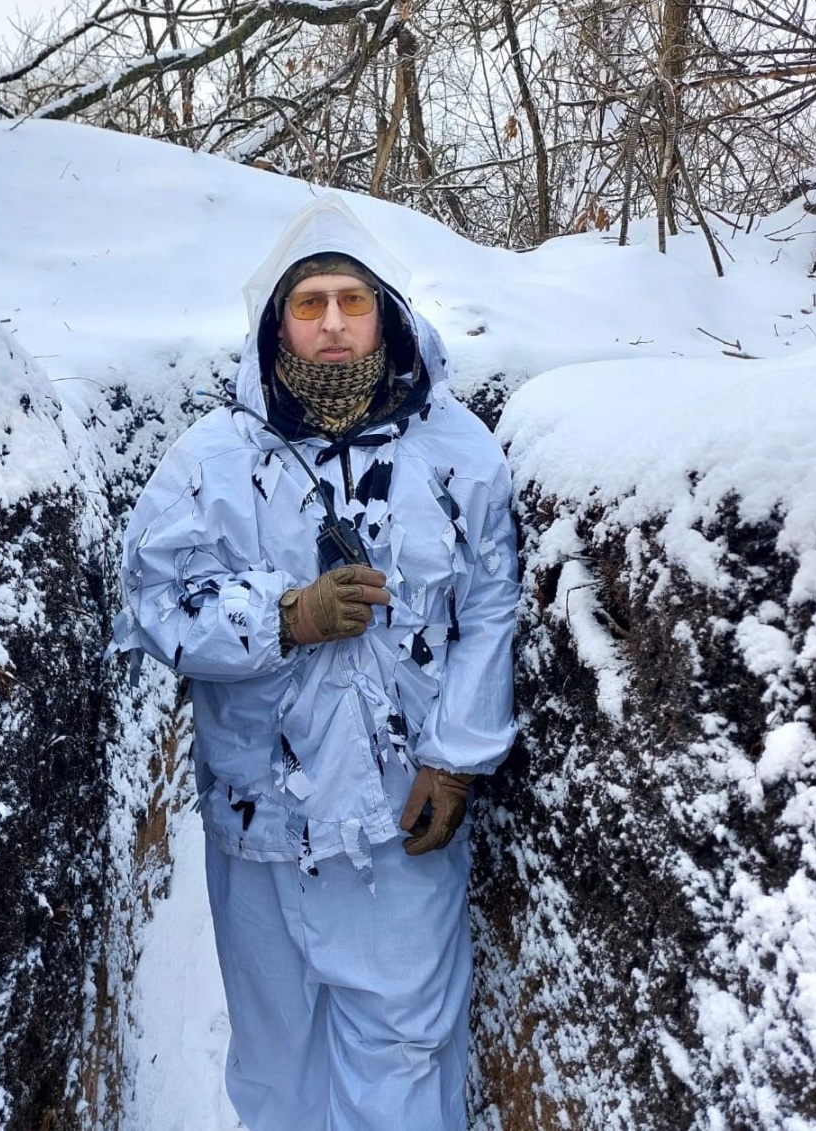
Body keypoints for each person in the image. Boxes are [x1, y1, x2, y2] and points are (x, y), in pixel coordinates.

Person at [113, 193, 517, 1131]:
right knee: (278, 1070)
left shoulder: (456, 453)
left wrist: (456, 758)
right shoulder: (211, 461)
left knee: (404, 1057)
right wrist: (281, 617)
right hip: (261, 830)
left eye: (352, 299)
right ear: (277, 324)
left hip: (400, 823)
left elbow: (488, 608)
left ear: (386, 314)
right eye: (309, 303)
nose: (333, 322)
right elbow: (151, 600)